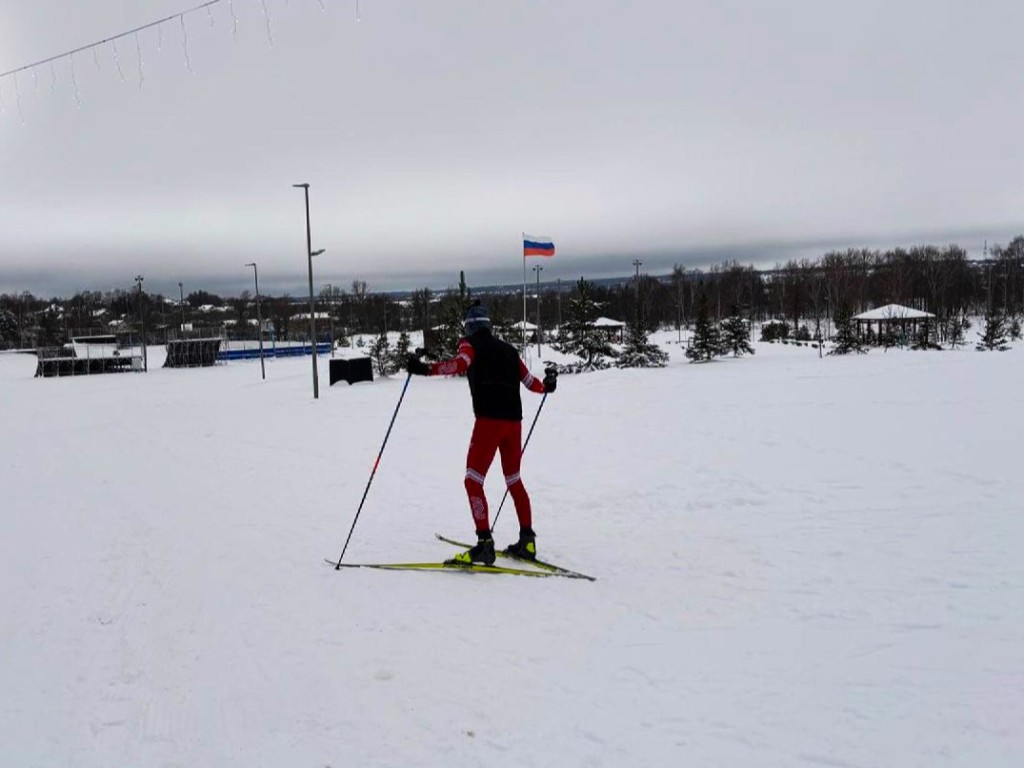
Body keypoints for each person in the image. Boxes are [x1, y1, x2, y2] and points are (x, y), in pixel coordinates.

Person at [406, 301, 557, 565]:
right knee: (514, 480)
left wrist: (425, 369)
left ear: (469, 327)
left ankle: (485, 543)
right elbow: (530, 382)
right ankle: (528, 540)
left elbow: (459, 364)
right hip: (514, 423)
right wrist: (548, 386)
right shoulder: (509, 350)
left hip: (489, 422)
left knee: (473, 481)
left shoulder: (469, 344)